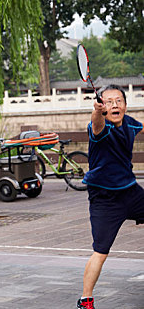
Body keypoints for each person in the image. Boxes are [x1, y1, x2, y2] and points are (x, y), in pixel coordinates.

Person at [77, 85, 144, 309]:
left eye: (119, 100)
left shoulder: (130, 123)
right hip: (104, 198)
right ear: (103, 106)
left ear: (125, 105)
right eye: (109, 101)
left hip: (130, 191)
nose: (115, 104)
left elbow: (141, 127)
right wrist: (96, 112)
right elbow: (96, 124)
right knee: (101, 251)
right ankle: (85, 301)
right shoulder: (100, 128)